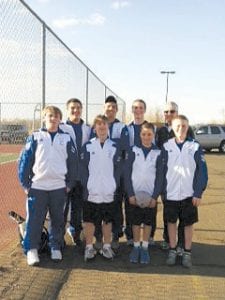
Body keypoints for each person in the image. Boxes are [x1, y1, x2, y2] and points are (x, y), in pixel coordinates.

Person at [18, 105, 77, 266]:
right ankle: (31, 249)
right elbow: (25, 161)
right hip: (38, 187)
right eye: (50, 116)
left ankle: (55, 246)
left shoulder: (66, 138)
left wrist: (69, 184)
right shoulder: (35, 136)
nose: (53, 118)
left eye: (56, 116)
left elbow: (73, 164)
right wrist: (25, 184)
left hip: (59, 187)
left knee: (58, 219)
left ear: (60, 119)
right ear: (44, 118)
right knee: (35, 220)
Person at [161, 115, 208, 268]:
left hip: (189, 195)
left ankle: (187, 252)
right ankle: (173, 250)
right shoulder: (166, 146)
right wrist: (162, 191)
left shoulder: (194, 146)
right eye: (178, 126)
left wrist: (198, 193)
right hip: (171, 194)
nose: (181, 129)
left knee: (188, 224)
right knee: (171, 223)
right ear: (173, 128)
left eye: (184, 126)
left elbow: (202, 172)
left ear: (188, 128)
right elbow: (161, 171)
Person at [80, 115, 122, 261]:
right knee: (89, 221)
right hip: (91, 192)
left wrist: (113, 185)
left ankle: (106, 247)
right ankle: (89, 248)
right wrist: (87, 185)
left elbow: (118, 169)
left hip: (108, 192)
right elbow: (83, 169)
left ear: (107, 127)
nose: (102, 127)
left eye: (104, 124)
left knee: (107, 220)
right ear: (94, 128)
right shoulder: (88, 146)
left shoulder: (115, 146)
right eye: (98, 125)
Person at [155, 101, 194, 253]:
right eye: (166, 112)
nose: (169, 114)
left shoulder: (186, 129)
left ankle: (182, 243)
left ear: (177, 113)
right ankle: (167, 239)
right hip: (168, 180)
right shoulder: (160, 132)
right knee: (168, 212)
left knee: (184, 214)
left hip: (184, 181)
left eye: (172, 111)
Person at [92, 95, 129, 250]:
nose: (111, 109)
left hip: (116, 175)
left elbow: (124, 149)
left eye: (114, 107)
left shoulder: (122, 128)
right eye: (108, 106)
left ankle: (115, 235)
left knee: (115, 207)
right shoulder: (96, 125)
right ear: (104, 108)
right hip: (99, 175)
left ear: (116, 109)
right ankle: (99, 236)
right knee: (98, 206)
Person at [125, 122, 163, 264]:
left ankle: (145, 247)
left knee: (148, 222)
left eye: (149, 134)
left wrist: (155, 197)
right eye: (144, 134)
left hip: (150, 196)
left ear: (153, 136)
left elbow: (160, 177)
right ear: (139, 135)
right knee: (135, 222)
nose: (146, 137)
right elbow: (127, 173)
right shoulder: (133, 150)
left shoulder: (158, 152)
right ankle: (136, 247)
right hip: (135, 194)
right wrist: (130, 194)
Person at [60, 98, 91, 245]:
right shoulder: (61, 127)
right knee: (62, 209)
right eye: (72, 108)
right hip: (65, 176)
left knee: (77, 209)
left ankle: (75, 232)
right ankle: (58, 236)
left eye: (78, 107)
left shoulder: (87, 128)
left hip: (80, 176)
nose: (76, 110)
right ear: (68, 109)